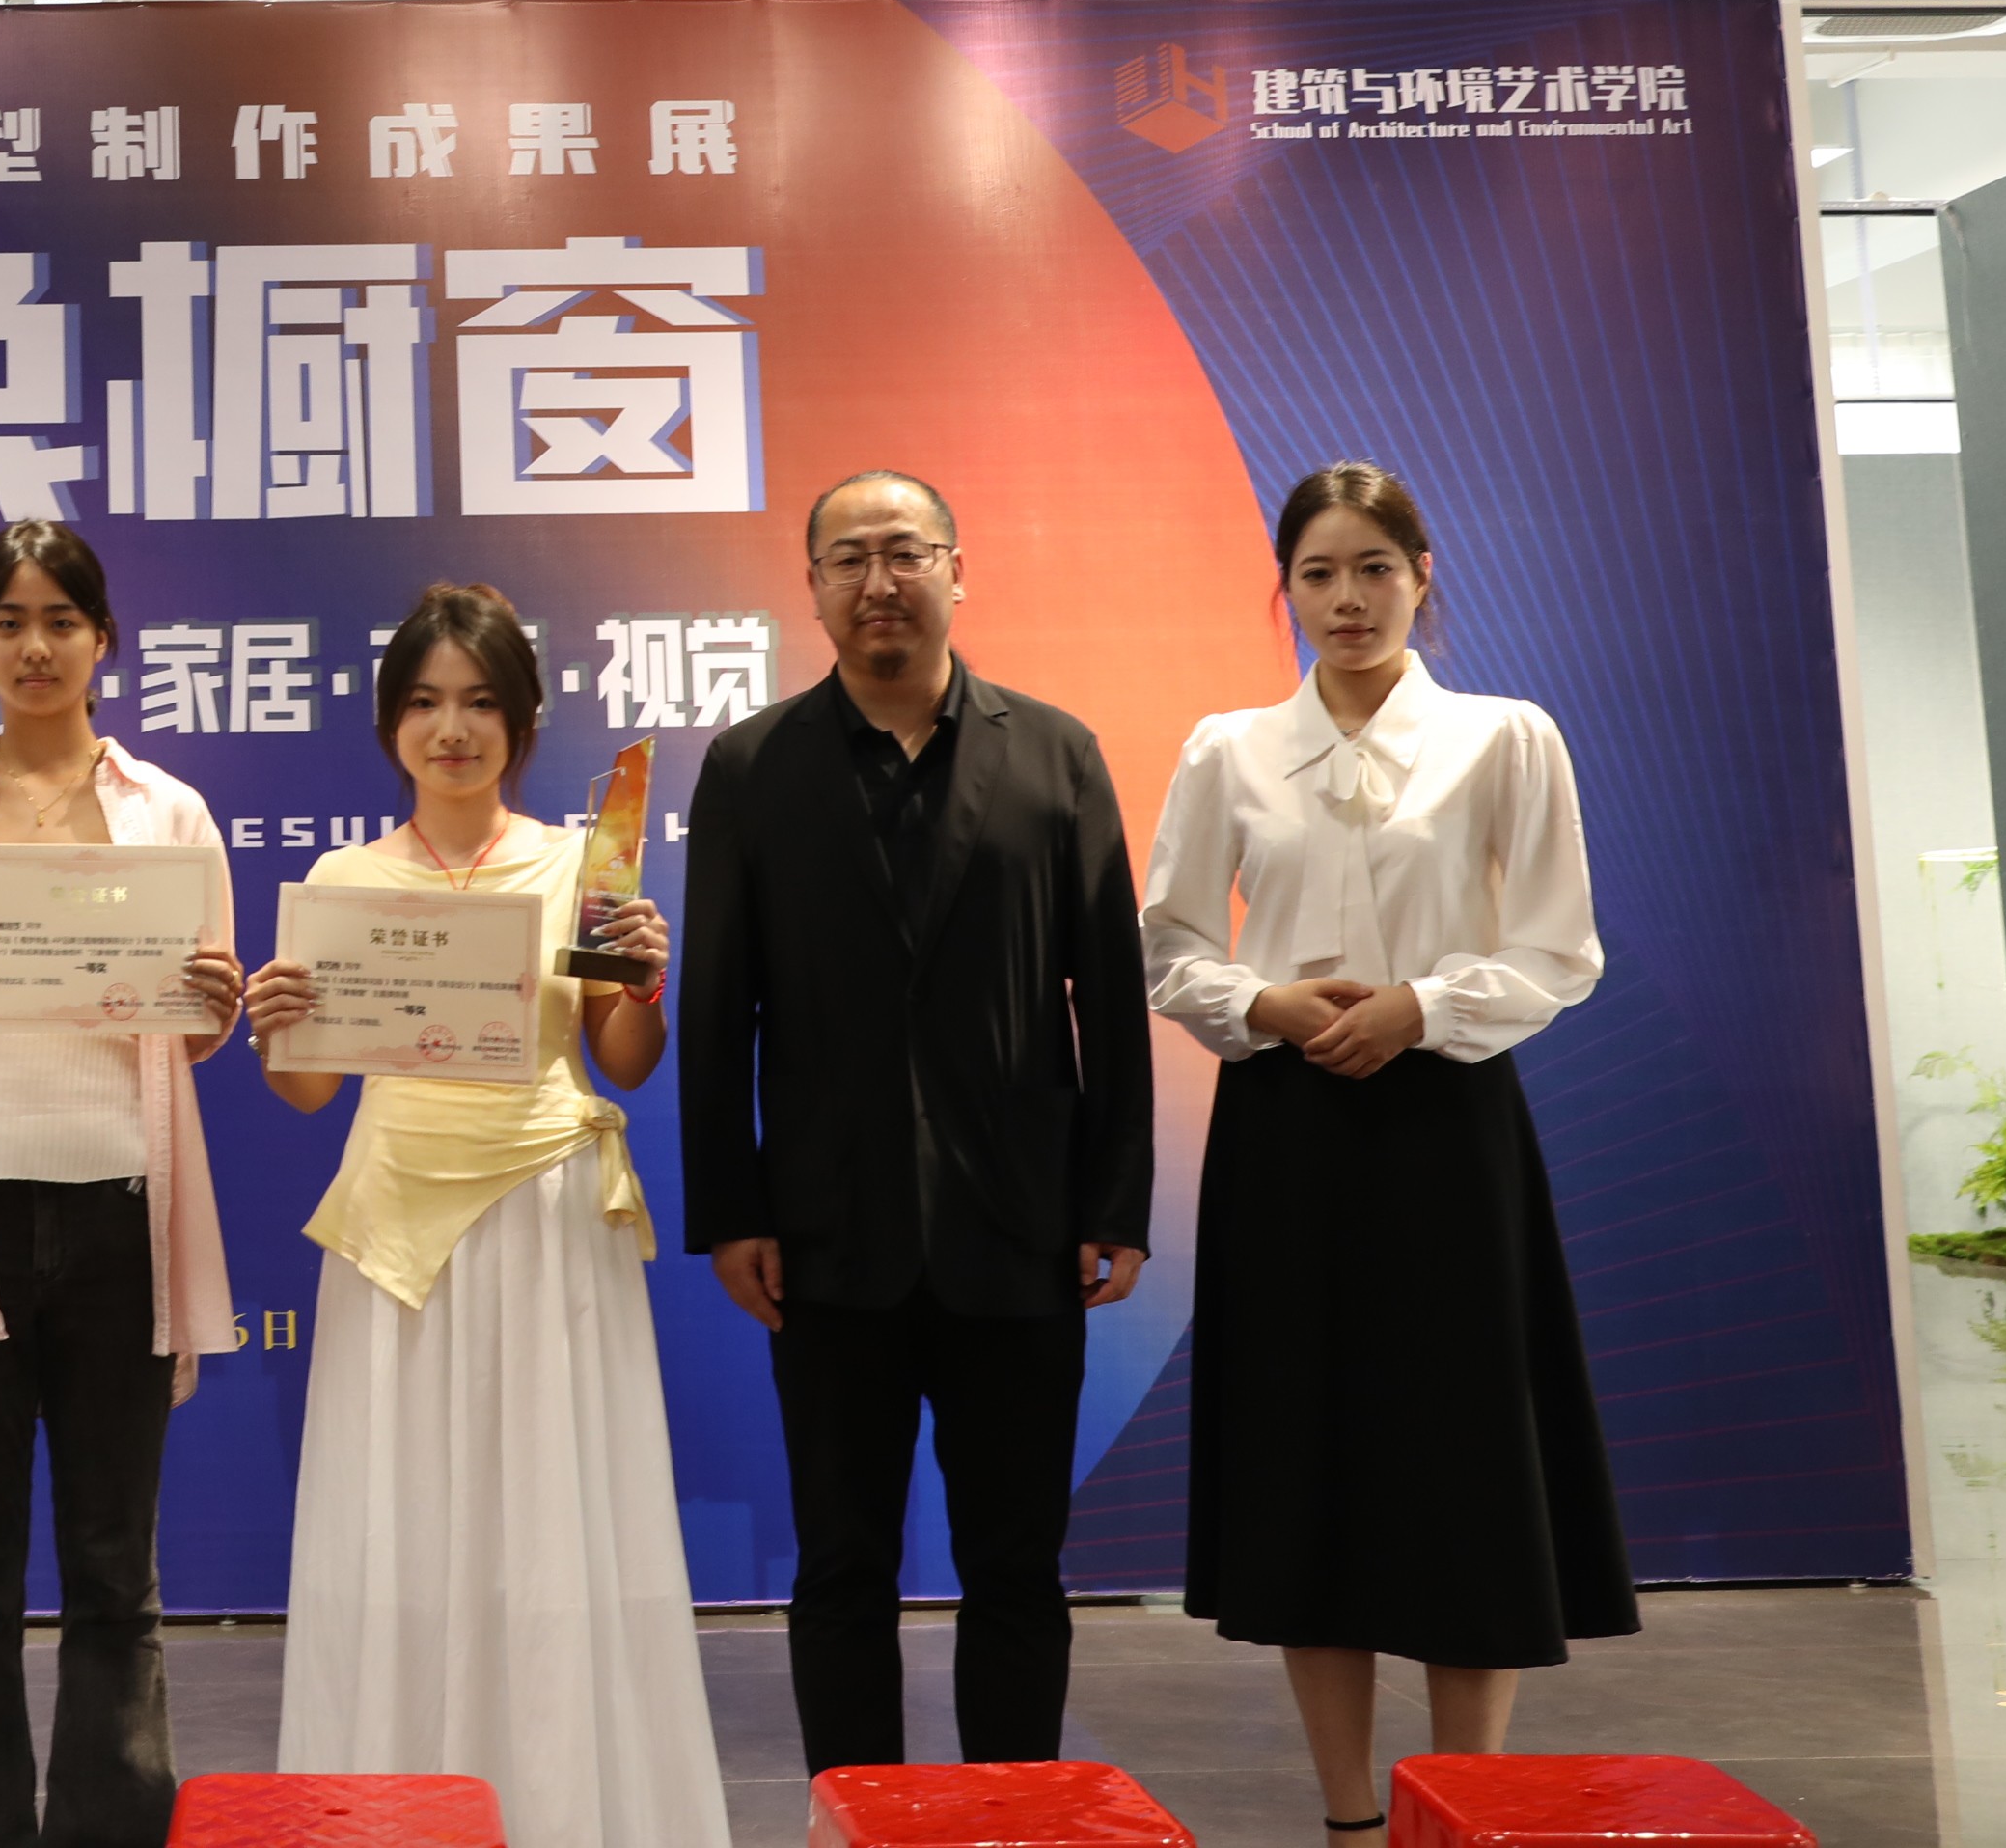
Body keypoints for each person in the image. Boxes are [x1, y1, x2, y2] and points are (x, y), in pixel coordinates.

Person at [1141, 460, 1632, 1831]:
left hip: (1447, 1125)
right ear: (1286, 590)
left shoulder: (1505, 738)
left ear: (1423, 576)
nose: (1347, 599)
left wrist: (1425, 1006)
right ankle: (1351, 1812)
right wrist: (1267, 1005)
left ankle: (1462, 1804)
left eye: (1374, 569)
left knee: (1466, 1459)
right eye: (1319, 573)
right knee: (1311, 1463)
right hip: (1287, 1133)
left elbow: (1558, 949)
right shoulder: (1228, 749)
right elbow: (1169, 945)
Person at [677, 468, 1152, 1773]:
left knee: (1017, 1567)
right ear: (813, 589)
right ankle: (856, 1822)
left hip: (1021, 1229)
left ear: (956, 570)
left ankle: (1017, 1824)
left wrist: (1113, 1200)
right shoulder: (752, 767)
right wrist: (731, 1211)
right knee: (841, 1567)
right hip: (827, 1238)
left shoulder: (1055, 753)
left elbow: (1109, 996)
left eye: (904, 553)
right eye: (848, 560)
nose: (878, 583)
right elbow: (717, 1012)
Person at [243, 583, 725, 1848]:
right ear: (390, 724)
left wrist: (642, 976)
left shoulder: (584, 864)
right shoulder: (344, 880)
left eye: (476, 704)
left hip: (547, 1219)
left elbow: (625, 1062)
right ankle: (391, 1812)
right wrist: (278, 1025)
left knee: (553, 1521)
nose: (450, 730)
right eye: (423, 704)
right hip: (397, 1230)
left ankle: (569, 1812)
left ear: (520, 721)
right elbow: (308, 1092)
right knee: (401, 1523)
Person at [0, 520, 246, 1848]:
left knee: (113, 1571)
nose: (35, 646)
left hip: (121, 1212)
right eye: (9, 621)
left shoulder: (169, 811)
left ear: (103, 641)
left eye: (61, 620)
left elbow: (195, 1027)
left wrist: (213, 1002)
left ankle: (111, 1828)